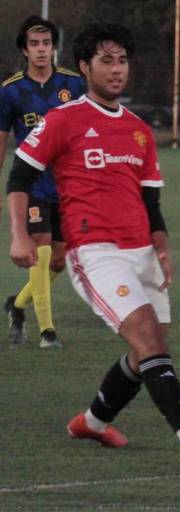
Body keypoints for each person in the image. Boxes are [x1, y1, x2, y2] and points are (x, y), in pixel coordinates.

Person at [6, 21, 180, 467]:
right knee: (148, 339)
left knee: (147, 347)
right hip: (95, 251)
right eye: (106, 60)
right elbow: (19, 176)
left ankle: (93, 421)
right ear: (84, 67)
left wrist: (161, 247)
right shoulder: (62, 120)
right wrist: (18, 233)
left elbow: (151, 199)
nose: (117, 69)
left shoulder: (140, 130)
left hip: (141, 250)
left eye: (122, 60)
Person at [0, 16, 86, 349]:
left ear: (54, 47)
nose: (41, 49)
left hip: (67, 184)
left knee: (59, 260)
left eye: (46, 43)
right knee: (40, 250)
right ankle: (47, 331)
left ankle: (17, 305)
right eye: (34, 44)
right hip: (32, 183)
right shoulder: (10, 91)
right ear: (25, 49)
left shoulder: (74, 84)